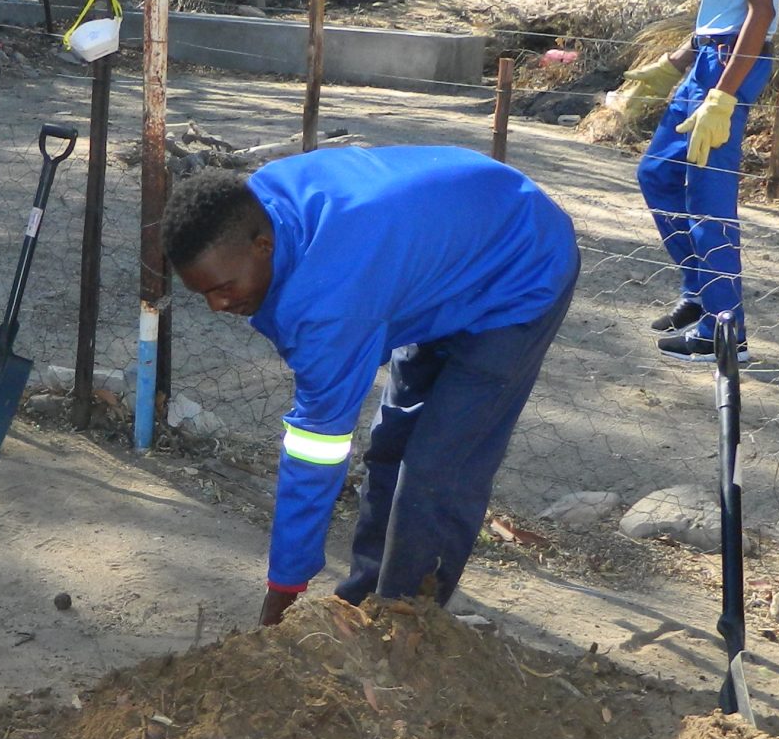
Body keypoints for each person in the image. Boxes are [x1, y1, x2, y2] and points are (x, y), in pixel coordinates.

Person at [167, 147, 579, 625]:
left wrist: (282, 593)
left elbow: (314, 449)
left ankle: (406, 623)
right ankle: (362, 603)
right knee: (390, 449)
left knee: (438, 469)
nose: (217, 307)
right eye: (204, 294)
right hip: (436, 267)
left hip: (521, 270)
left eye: (223, 287)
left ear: (263, 246)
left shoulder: (332, 301)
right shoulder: (254, 208)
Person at [636, 0, 779, 363]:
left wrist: (722, 93)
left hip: (730, 65)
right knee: (658, 174)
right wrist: (679, 57)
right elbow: (726, 1)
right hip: (708, 58)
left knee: (708, 199)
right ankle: (700, 292)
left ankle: (725, 334)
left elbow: (762, 10)